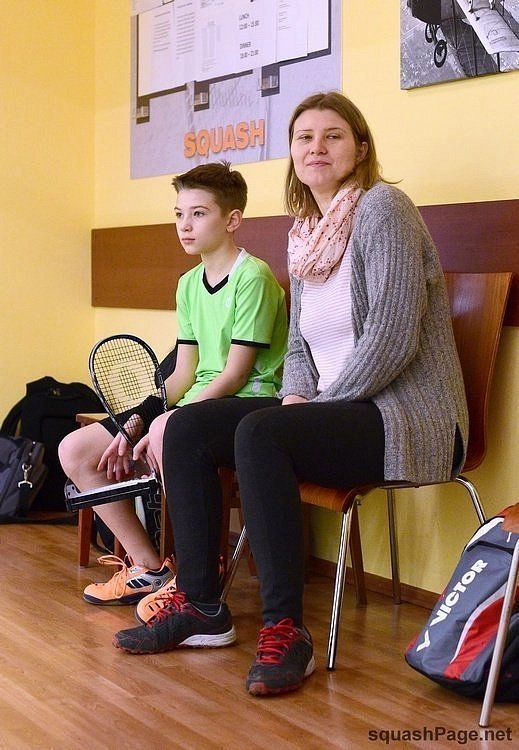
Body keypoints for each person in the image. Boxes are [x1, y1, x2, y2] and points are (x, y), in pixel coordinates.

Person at [111, 91, 468, 698]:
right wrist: (298, 396)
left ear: (361, 148)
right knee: (191, 425)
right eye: (305, 137)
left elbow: (393, 334)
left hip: (405, 416)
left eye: (333, 136)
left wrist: (314, 407)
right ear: (293, 154)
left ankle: (285, 629)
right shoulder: (307, 236)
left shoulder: (385, 209)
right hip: (337, 409)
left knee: (262, 431)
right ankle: (201, 606)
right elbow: (300, 348)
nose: (316, 147)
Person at [58, 161, 288, 606]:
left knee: (169, 430)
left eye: (199, 214)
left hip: (251, 401)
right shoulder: (188, 285)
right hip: (201, 400)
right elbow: (183, 374)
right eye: (180, 214)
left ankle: (196, 578)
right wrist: (136, 423)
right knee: (75, 450)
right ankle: (149, 568)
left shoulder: (253, 277)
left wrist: (170, 420)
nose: (185, 225)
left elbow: (235, 374)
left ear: (232, 220)